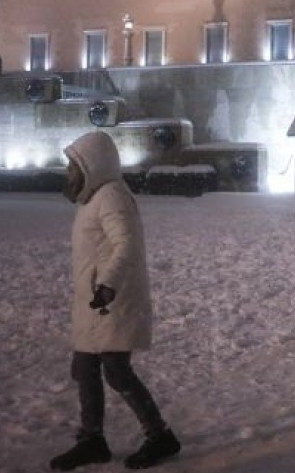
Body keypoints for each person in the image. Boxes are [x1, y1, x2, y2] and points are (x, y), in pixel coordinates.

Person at [49, 131, 181, 471]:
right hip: (93, 303)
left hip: (111, 300)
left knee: (116, 371)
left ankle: (159, 435)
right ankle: (92, 439)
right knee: (86, 369)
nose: (68, 174)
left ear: (91, 165)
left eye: (73, 167)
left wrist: (106, 284)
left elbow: (127, 245)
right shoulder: (93, 198)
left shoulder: (111, 196)